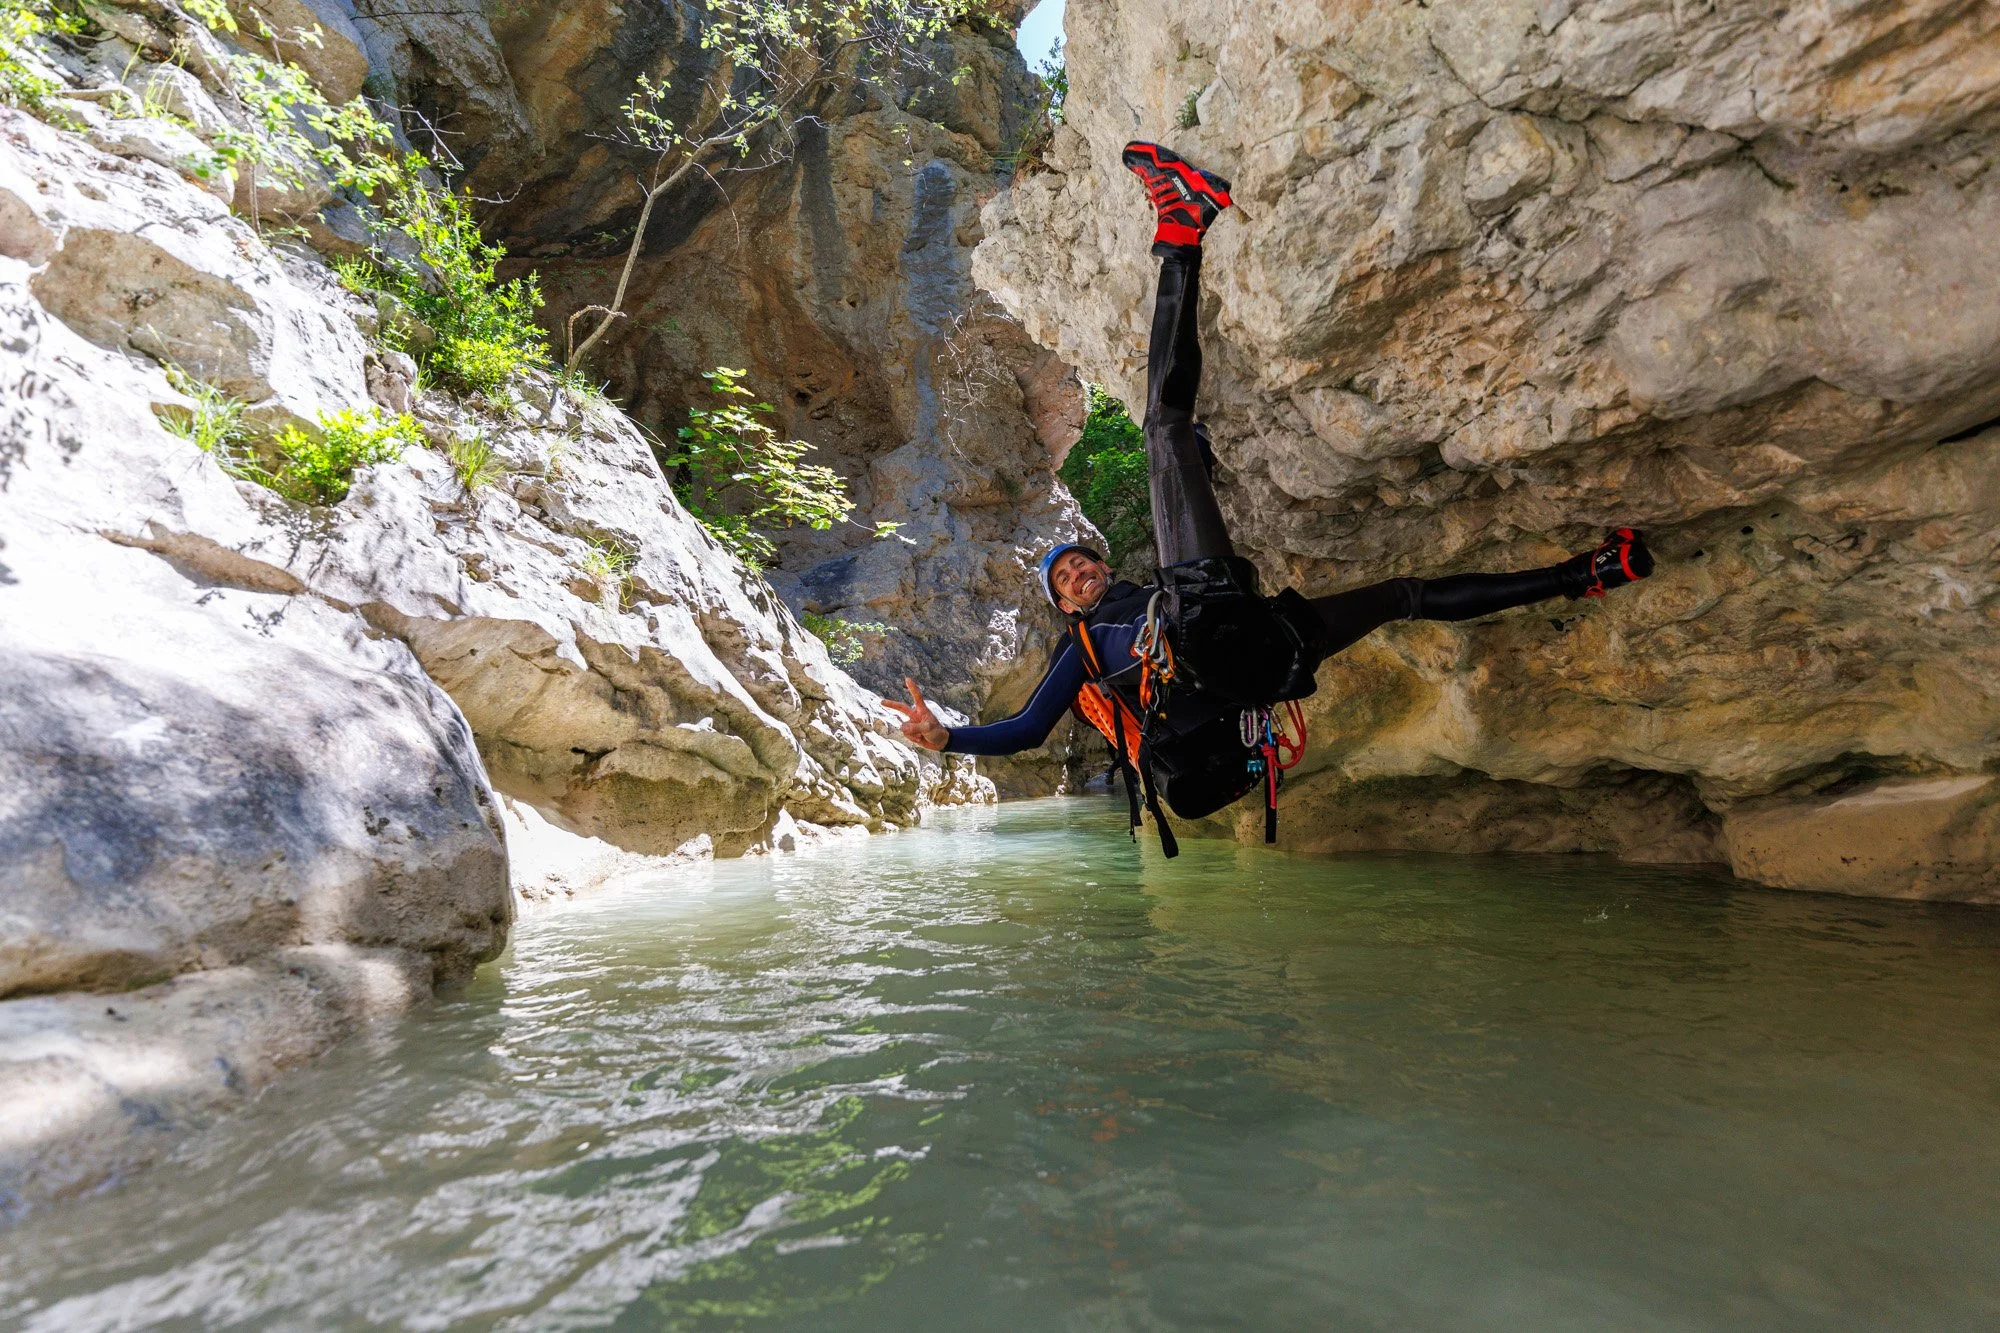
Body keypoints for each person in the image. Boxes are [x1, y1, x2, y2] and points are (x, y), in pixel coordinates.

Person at [885, 142, 1653, 852]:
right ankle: (1184, 227)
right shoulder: (1080, 650)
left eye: (1079, 563)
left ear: (1101, 566)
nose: (1076, 576)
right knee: (1163, 427)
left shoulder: (1142, 592)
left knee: (1405, 595)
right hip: (1211, 634)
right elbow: (1024, 729)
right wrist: (949, 737)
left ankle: (1592, 573)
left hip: (1266, 646)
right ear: (1067, 607)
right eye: (1063, 581)